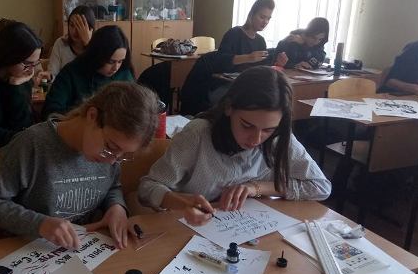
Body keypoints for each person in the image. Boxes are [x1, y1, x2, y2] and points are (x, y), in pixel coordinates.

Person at [0, 82, 159, 249]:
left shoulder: (110, 153)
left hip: (87, 247)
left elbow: (112, 186)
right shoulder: (32, 145)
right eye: (111, 147)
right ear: (92, 116)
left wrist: (116, 207)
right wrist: (40, 224)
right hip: (34, 250)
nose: (112, 161)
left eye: (122, 155)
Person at [139, 66, 331, 225]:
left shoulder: (278, 137)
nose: (256, 139)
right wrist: (182, 203)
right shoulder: (198, 134)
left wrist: (255, 188)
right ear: (229, 107)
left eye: (268, 130)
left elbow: (320, 187)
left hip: (244, 225)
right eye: (247, 125)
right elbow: (147, 188)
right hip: (189, 227)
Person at [180, 0, 287, 115]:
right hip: (219, 85)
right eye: (262, 17)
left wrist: (277, 64)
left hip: (242, 86)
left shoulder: (260, 41)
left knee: (267, 98)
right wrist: (249, 57)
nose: (265, 22)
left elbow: (260, 70)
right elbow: (221, 61)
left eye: (268, 18)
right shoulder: (234, 34)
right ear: (252, 14)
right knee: (249, 100)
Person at [42, 25, 134, 118]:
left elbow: (135, 107)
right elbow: (51, 110)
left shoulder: (124, 73)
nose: (116, 68)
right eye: (111, 62)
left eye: (120, 61)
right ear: (98, 55)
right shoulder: (71, 73)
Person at [48, 6, 95, 78]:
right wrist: (49, 77)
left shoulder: (98, 45)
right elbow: (52, 73)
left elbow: (97, 76)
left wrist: (88, 44)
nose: (74, 31)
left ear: (90, 29)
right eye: (72, 25)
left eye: (80, 26)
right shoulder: (60, 43)